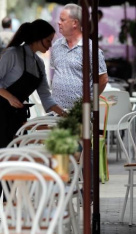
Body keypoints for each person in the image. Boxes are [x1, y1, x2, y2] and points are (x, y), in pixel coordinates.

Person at [0, 19, 66, 148]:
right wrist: (10, 97)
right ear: (37, 38)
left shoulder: (39, 64)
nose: (50, 45)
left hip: (18, 116)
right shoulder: (13, 54)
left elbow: (46, 96)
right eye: (48, 40)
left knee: (17, 153)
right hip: (1, 114)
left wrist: (65, 115)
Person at [51, 3, 108, 110]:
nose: (59, 23)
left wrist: (89, 100)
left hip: (80, 113)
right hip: (56, 112)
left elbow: (103, 79)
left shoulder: (91, 49)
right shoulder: (56, 45)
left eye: (62, 20)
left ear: (74, 23)